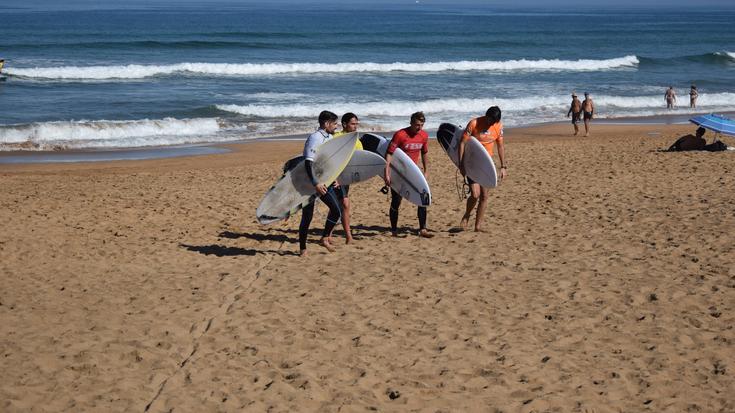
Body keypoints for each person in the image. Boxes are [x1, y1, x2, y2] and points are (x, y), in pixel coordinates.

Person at [298, 110, 343, 256]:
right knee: (307, 216)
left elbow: (327, 161)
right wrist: (315, 183)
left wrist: (334, 176)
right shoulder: (315, 138)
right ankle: (303, 248)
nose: (337, 126)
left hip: (325, 180)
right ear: (326, 123)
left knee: (337, 210)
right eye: (335, 123)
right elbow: (308, 163)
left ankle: (324, 238)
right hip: (310, 182)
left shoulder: (329, 137)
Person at [384, 111, 434, 238]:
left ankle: (422, 229)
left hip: (414, 172)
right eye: (417, 125)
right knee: (396, 201)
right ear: (411, 122)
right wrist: (387, 173)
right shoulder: (400, 135)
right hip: (399, 173)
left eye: (422, 125)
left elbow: (424, 153)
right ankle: (394, 229)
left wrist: (426, 170)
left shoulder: (423, 135)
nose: (419, 128)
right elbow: (389, 153)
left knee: (422, 198)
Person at [459, 106, 507, 232]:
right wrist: (461, 164)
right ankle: (467, 214)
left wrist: (503, 166)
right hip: (472, 163)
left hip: (486, 164)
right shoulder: (474, 123)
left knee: (484, 196)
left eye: (493, 122)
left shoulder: (498, 127)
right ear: (486, 116)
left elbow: (500, 146)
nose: (490, 124)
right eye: (489, 120)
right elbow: (462, 143)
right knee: (475, 195)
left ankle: (478, 226)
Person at [330, 112, 364, 244]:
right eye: (352, 124)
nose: (355, 126)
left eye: (356, 124)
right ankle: (348, 235)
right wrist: (334, 177)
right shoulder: (336, 137)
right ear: (344, 124)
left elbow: (358, 160)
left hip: (345, 177)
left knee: (339, 205)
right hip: (334, 176)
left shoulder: (357, 141)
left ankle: (328, 234)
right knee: (344, 204)